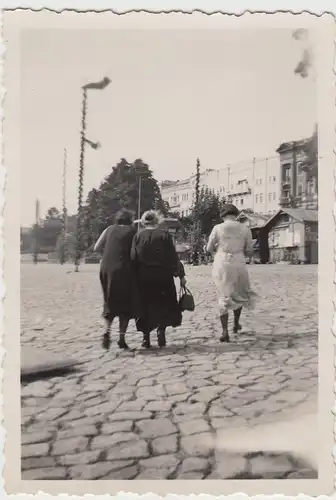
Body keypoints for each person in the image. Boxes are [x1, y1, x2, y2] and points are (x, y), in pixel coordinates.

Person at [131, 210, 186, 349]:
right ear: (157, 221)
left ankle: (146, 338)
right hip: (163, 276)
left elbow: (133, 257)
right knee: (163, 304)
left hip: (144, 277)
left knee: (145, 305)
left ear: (144, 222)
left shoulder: (138, 236)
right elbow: (173, 257)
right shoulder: (165, 236)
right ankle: (161, 331)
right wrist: (181, 275)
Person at [206, 203, 256, 343]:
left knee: (223, 294)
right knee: (238, 293)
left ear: (223, 215)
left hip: (222, 262)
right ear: (236, 214)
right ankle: (235, 324)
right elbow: (250, 250)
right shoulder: (245, 228)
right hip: (239, 261)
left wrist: (216, 253)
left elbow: (209, 247)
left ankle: (224, 331)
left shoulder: (217, 228)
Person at [94, 209, 137, 350]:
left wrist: (108, 254)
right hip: (124, 269)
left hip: (106, 268)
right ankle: (122, 339)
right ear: (129, 219)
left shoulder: (109, 229)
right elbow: (135, 252)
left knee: (109, 300)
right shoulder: (132, 231)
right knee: (125, 304)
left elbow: (96, 247)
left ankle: (106, 331)